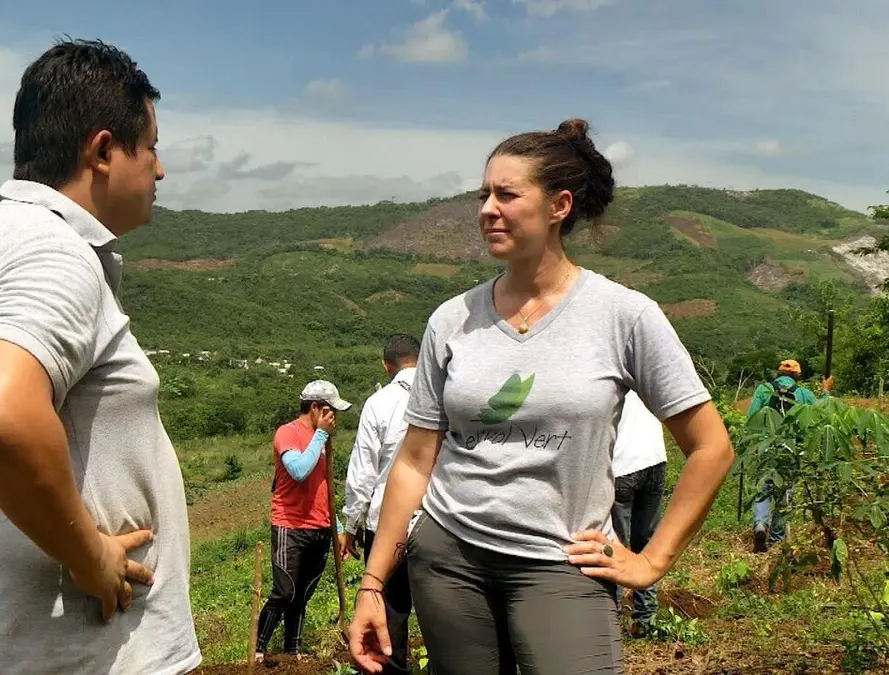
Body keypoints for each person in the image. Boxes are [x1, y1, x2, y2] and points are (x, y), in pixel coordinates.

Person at [348, 119, 735, 675]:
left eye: (506, 194)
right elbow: (414, 459)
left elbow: (711, 447)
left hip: (560, 563)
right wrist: (372, 584)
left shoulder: (623, 316)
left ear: (559, 206)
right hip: (449, 557)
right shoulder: (453, 319)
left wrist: (652, 560)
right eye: (484, 194)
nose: (487, 208)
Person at [0, 39, 201, 675]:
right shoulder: (52, 254)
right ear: (103, 151)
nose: (160, 170)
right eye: (152, 147)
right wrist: (89, 557)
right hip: (65, 648)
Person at [340, 334, 421, 675]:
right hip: (440, 522)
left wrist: (350, 526)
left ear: (387, 366)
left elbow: (362, 474)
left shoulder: (379, 402)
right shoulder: (445, 395)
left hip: (386, 524)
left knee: (390, 613)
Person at [256, 380, 353, 662]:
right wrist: (320, 435)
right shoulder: (288, 433)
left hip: (321, 527)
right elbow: (298, 471)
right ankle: (259, 647)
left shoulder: (323, 441)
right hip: (291, 524)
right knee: (285, 591)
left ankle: (292, 651)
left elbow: (324, 491)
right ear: (314, 408)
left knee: (302, 594)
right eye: (330, 410)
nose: (334, 418)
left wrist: (339, 530)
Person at [745, 359, 831, 553]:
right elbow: (821, 412)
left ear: (778, 373)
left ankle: (760, 525)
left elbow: (752, 417)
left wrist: (749, 444)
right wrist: (826, 391)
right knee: (786, 492)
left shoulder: (764, 390)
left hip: (766, 447)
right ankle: (776, 537)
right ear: (797, 376)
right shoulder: (804, 394)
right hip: (792, 449)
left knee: (764, 488)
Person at [611, 390, 667, 634]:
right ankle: (647, 617)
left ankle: (612, 617)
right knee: (646, 543)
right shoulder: (645, 382)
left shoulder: (611, 384)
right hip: (655, 461)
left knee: (614, 546)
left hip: (623, 467)